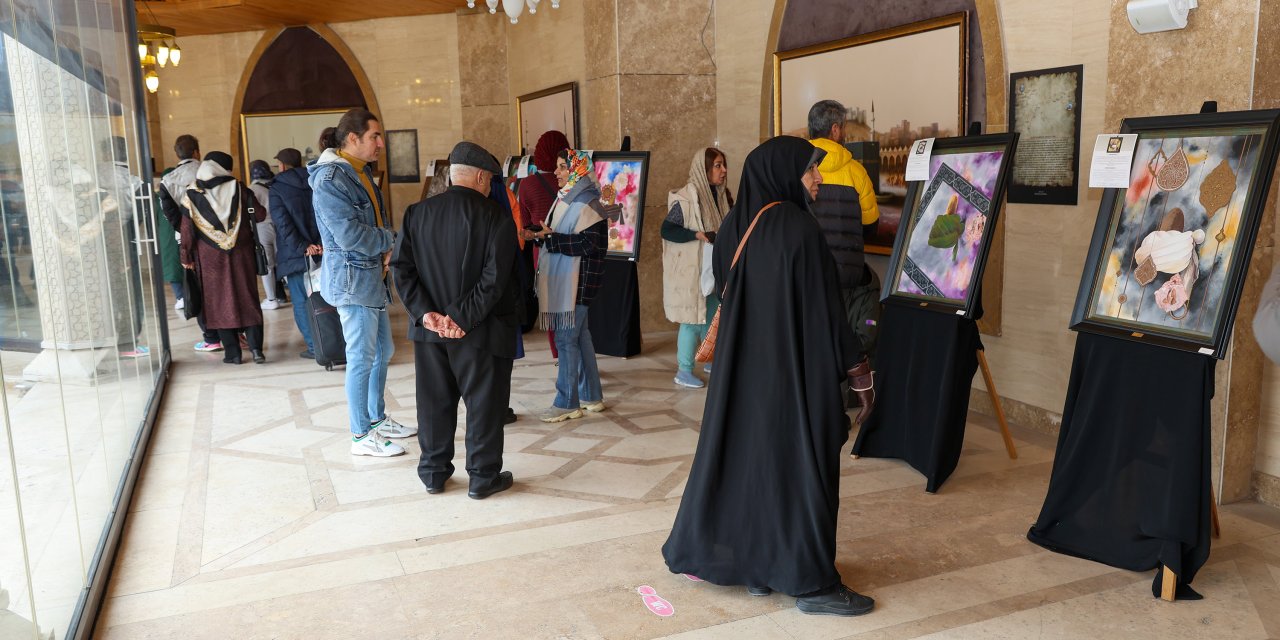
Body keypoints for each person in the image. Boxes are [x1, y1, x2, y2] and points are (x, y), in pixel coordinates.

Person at [661, 136, 877, 617]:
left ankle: (760, 568)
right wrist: (858, 370)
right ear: (782, 174)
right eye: (810, 171)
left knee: (753, 468)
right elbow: (826, 311)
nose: (818, 179)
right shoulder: (798, 228)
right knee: (803, 469)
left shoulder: (736, 224)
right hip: (794, 375)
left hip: (741, 378)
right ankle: (813, 584)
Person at [391, 142, 519, 498]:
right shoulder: (496, 217)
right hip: (483, 330)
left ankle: (433, 473)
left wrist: (427, 313)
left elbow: (401, 270)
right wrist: (460, 318)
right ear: (480, 176)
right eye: (490, 179)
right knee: (485, 404)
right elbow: (495, 280)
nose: (490, 184)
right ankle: (482, 478)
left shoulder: (416, 213)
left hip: (430, 332)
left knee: (434, 403)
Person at [310, 108, 417, 457]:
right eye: (374, 136)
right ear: (352, 138)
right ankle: (360, 436)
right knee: (360, 357)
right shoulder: (330, 180)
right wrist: (391, 241)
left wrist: (385, 247)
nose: (381, 144)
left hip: (370, 277)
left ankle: (376, 419)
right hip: (353, 280)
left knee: (382, 352)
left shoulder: (358, 172)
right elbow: (349, 234)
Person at [521, 149, 607, 423]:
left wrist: (551, 241)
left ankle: (567, 402)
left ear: (577, 169)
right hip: (573, 282)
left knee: (566, 340)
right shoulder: (568, 198)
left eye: (562, 167)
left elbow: (590, 244)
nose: (556, 172)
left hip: (578, 284)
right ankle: (591, 395)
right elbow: (560, 233)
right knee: (580, 338)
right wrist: (538, 233)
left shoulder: (588, 202)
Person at [807, 99, 882, 362]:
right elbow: (871, 225)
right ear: (836, 130)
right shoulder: (856, 172)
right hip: (847, 275)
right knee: (844, 341)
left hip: (808, 274)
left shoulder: (798, 169)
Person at [177, 152, 267, 365]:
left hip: (209, 259)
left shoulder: (192, 193)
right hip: (242, 255)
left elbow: (186, 230)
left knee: (217, 303)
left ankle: (233, 354)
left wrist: (185, 255)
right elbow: (260, 215)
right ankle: (256, 350)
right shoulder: (239, 187)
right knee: (247, 298)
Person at [662, 148, 732, 389]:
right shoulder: (685, 198)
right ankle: (684, 370)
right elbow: (667, 230)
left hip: (712, 270)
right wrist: (697, 234)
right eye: (718, 166)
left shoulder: (722, 196)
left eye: (723, 165)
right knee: (691, 320)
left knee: (713, 316)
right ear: (704, 169)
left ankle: (710, 358)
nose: (723, 171)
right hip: (692, 271)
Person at [159, 134, 224, 352]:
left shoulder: (168, 181)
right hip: (217, 237)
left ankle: (211, 337)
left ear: (176, 154)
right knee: (221, 285)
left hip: (187, 240)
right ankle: (231, 332)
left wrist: (183, 229)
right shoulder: (209, 170)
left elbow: (168, 212)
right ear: (197, 151)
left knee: (198, 288)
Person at [516, 130, 571, 359]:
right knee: (572, 304)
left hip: (544, 252)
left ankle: (558, 355)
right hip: (573, 248)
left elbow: (527, 225)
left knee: (549, 306)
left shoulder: (527, 185)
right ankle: (574, 354)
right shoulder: (572, 181)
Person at [269, 147, 322, 359]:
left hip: (296, 255)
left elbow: (283, 224)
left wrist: (302, 247)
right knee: (325, 299)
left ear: (281, 165)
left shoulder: (278, 187)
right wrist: (318, 243)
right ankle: (331, 343)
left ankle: (314, 347)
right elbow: (324, 214)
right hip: (322, 252)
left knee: (301, 302)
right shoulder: (315, 181)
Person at [248, 159, 283, 310]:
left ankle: (271, 298)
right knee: (282, 261)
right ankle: (287, 294)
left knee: (267, 264)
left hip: (261, 228)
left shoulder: (252, 189)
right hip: (279, 226)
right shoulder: (275, 185)